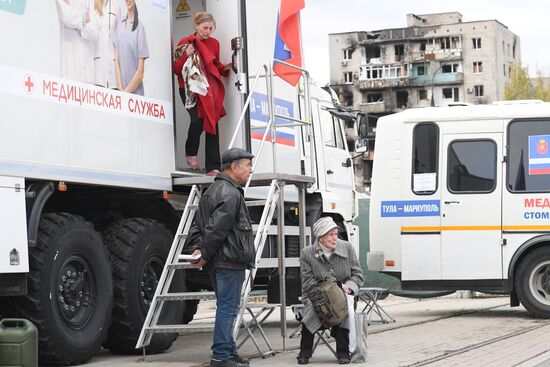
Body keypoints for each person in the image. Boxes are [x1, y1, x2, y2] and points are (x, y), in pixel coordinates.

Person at [186, 147, 255, 367]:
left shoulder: (212, 190)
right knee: (228, 308)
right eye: (247, 165)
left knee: (227, 307)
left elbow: (199, 225)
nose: (250, 170)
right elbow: (218, 229)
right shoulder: (230, 193)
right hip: (229, 260)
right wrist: (204, 253)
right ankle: (221, 356)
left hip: (219, 261)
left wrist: (199, 249)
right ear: (234, 166)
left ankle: (229, 351)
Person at [297, 217, 364, 365]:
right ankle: (304, 352)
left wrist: (349, 287)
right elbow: (307, 281)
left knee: (340, 307)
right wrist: (325, 295)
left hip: (344, 295)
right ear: (320, 237)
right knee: (311, 312)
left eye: (336, 234)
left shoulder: (347, 248)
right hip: (316, 295)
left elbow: (358, 275)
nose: (335, 238)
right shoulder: (307, 253)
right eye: (331, 234)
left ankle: (343, 352)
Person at [173, 12, 233, 175]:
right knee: (197, 120)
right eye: (205, 27)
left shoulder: (215, 43)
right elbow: (176, 69)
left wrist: (225, 68)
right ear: (196, 25)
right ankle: (190, 151)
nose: (207, 31)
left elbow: (215, 65)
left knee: (212, 124)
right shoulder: (185, 42)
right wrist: (187, 53)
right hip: (188, 89)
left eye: (211, 28)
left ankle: (213, 167)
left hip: (208, 90)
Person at [56, 0, 96, 83]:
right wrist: (84, 18)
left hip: (86, 68)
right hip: (69, 68)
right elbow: (67, 16)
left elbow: (93, 33)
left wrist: (77, 24)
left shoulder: (90, 2)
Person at [113, 0, 148, 95]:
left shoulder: (140, 28)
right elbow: (117, 60)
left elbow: (140, 73)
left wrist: (126, 92)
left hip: (136, 95)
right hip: (121, 93)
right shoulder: (119, 23)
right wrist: (120, 90)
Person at [91, 0, 121, 88]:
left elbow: (119, 37)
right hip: (97, 66)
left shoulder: (116, 6)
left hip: (113, 67)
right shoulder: (92, 4)